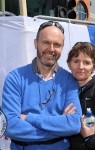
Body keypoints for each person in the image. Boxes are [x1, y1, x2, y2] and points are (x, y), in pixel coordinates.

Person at [1, 21, 82, 150]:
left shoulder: (69, 80)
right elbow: (9, 126)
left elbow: (74, 125)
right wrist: (59, 126)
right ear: (35, 43)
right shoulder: (15, 78)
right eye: (46, 42)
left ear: (62, 47)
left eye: (57, 44)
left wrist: (28, 117)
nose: (51, 49)